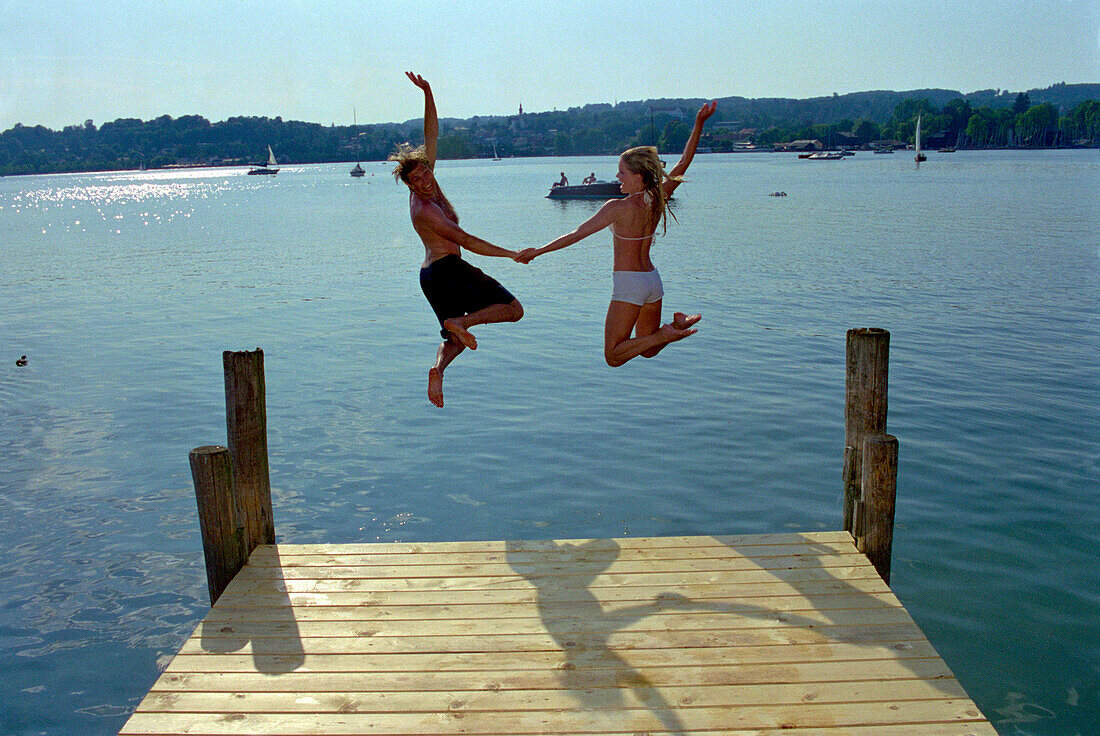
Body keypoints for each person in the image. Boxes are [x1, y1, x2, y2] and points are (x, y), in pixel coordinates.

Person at [518, 101, 716, 367]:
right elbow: (684, 162)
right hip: (652, 281)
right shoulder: (658, 197)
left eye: (622, 172)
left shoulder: (617, 208)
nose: (617, 176)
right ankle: (675, 327)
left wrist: (537, 251)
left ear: (638, 176)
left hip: (630, 283)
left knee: (613, 355)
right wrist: (699, 123)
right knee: (646, 348)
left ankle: (670, 332)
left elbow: (577, 234)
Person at [390, 72, 525, 407]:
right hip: (446, 268)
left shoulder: (427, 183)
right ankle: (462, 321)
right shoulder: (425, 210)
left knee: (456, 338)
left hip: (430, 276)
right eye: (417, 180)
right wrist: (510, 254)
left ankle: (437, 369)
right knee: (513, 309)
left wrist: (428, 92)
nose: (424, 181)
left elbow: (431, 134)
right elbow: (465, 238)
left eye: (425, 173)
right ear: (408, 185)